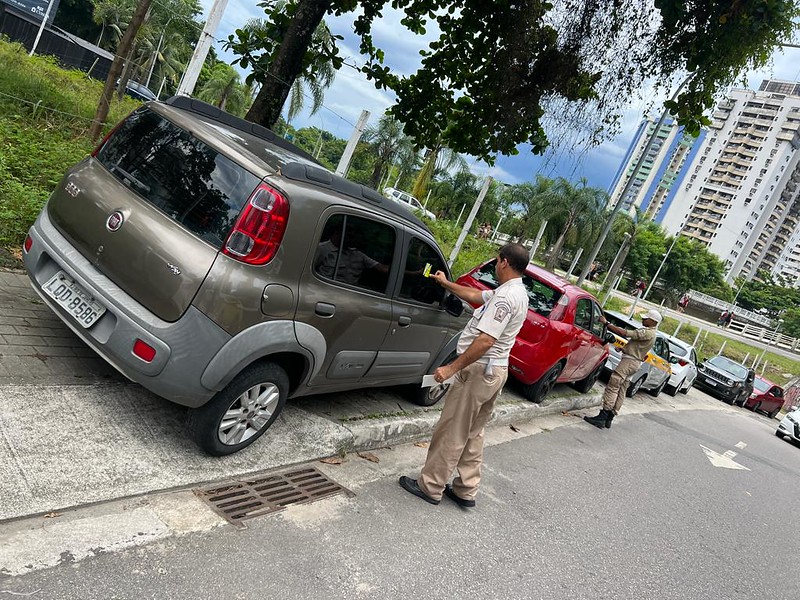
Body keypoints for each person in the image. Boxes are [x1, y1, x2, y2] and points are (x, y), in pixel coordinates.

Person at [399, 243, 530, 508]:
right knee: (473, 432)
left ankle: (431, 486)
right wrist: (446, 283)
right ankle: (465, 489)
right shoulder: (516, 292)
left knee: (452, 431)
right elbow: (475, 295)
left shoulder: (506, 298)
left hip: (479, 371)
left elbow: (485, 340)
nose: (495, 264)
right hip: (495, 372)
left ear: (504, 262)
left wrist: (451, 368)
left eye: (496, 260)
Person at [584, 308, 661, 429]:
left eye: (646, 318)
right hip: (634, 363)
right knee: (622, 389)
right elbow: (637, 346)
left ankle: (603, 415)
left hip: (629, 362)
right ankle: (610, 416)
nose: (643, 319)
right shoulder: (652, 334)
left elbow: (625, 333)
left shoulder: (647, 332)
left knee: (613, 385)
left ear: (652, 321)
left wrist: (606, 323)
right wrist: (624, 348)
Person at [314, 225, 388, 286]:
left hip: (352, 293)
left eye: (353, 236)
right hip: (327, 290)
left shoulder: (357, 254)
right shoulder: (321, 249)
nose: (351, 239)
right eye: (348, 235)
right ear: (337, 233)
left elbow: (382, 269)